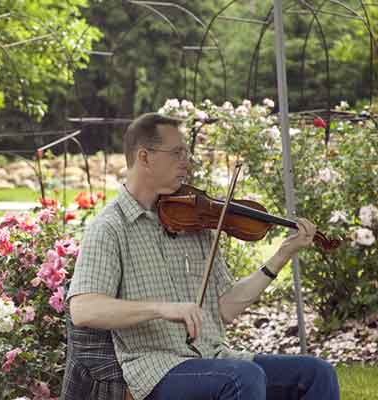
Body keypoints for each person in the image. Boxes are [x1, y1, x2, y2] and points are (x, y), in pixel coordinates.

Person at [65, 112, 340, 400]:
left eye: (186, 152)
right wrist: (162, 308)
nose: (187, 161)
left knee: (317, 373)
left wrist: (281, 256)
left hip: (215, 357)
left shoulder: (194, 219)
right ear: (144, 157)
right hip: (157, 368)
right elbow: (84, 310)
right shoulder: (110, 228)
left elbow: (225, 307)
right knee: (242, 378)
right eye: (177, 153)